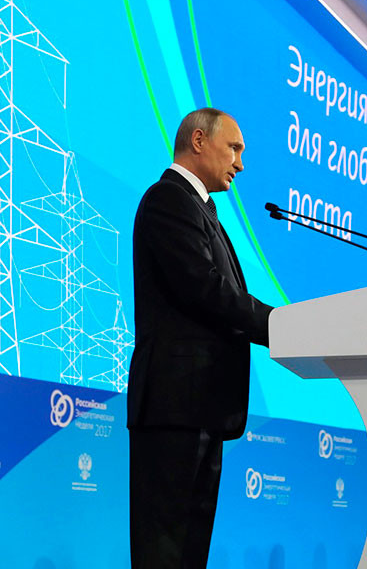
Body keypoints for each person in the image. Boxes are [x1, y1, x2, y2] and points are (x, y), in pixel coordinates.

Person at [127, 108, 274, 568]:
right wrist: (278, 324)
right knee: (164, 554)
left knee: (189, 555)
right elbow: (205, 289)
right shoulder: (168, 199)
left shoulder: (200, 209)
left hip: (201, 407)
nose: (240, 163)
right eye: (233, 148)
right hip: (175, 406)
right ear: (198, 141)